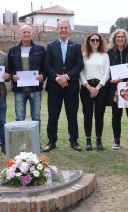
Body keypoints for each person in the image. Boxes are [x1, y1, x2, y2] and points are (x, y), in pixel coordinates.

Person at [42, 19, 84, 152]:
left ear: (70, 30)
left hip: (71, 87)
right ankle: (52, 141)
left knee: (72, 116)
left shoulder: (76, 46)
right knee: (53, 116)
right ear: (57, 30)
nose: (63, 30)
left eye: (66, 28)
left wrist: (66, 77)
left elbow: (79, 65)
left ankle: (74, 141)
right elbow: (47, 65)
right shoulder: (50, 45)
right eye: (61, 28)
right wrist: (57, 77)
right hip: (54, 88)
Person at [8, 25, 46, 131]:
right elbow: (9, 68)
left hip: (35, 89)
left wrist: (43, 76)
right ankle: (21, 144)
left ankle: (36, 143)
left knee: (36, 118)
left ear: (32, 34)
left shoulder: (40, 49)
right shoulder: (13, 50)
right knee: (20, 118)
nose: (26, 34)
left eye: (28, 32)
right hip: (19, 89)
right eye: (24, 32)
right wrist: (12, 76)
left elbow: (45, 67)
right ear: (19, 34)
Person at [79, 33, 110, 151]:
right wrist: (88, 87)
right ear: (88, 41)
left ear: (100, 42)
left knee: (99, 115)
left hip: (101, 88)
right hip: (86, 88)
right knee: (87, 115)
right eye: (92, 40)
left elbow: (107, 73)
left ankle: (98, 140)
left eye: (97, 40)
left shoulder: (105, 56)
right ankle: (88, 141)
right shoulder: (83, 55)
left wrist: (97, 88)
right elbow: (80, 73)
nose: (95, 42)